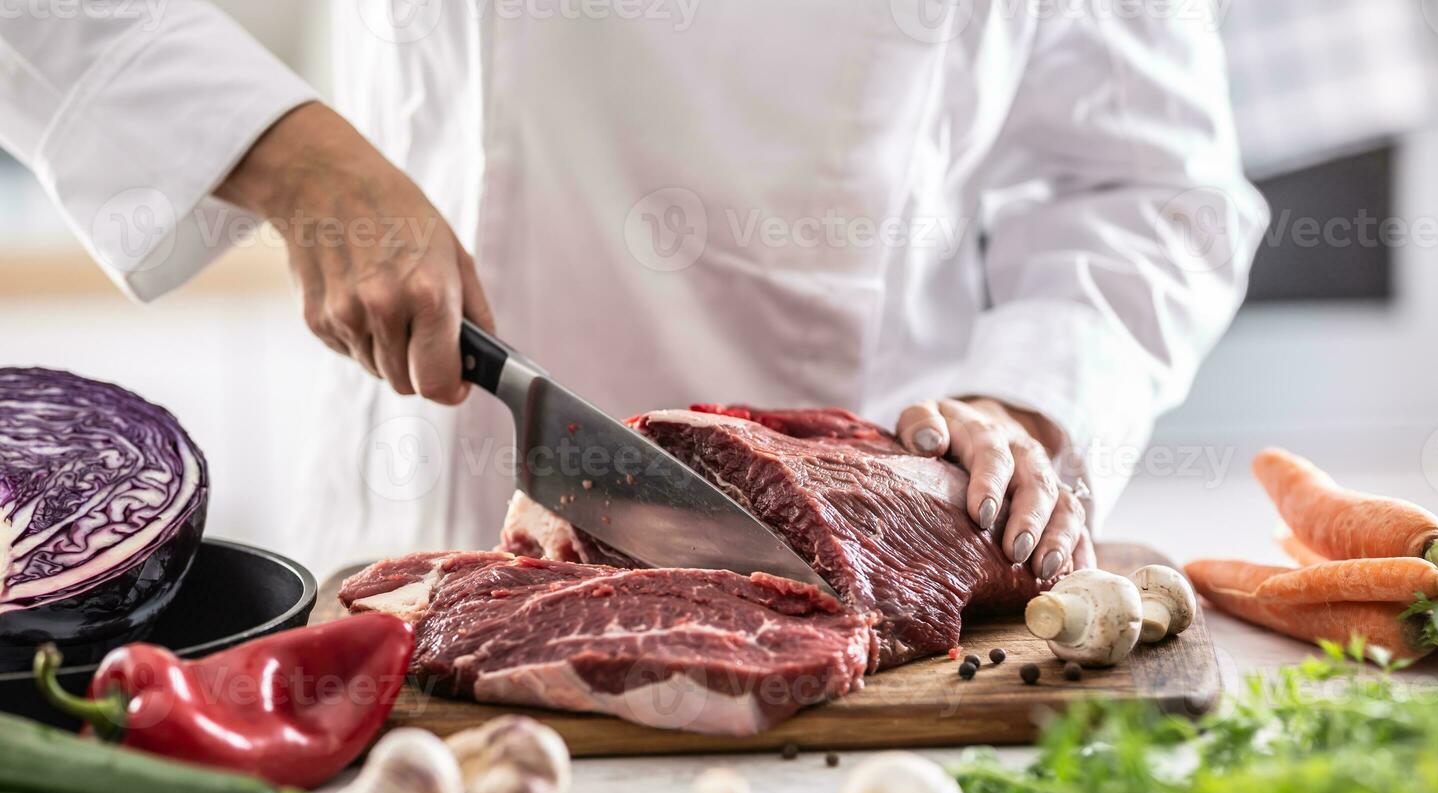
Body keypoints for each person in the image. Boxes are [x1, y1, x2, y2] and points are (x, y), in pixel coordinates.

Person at [0, 2, 1266, 577]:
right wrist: (286, 151)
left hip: (864, 553)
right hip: (430, 492)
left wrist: (1031, 405)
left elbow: (1153, 189)